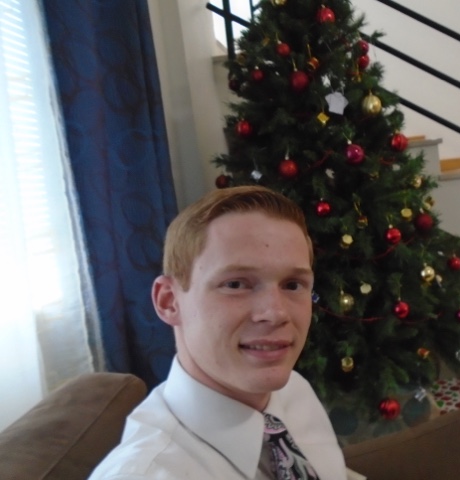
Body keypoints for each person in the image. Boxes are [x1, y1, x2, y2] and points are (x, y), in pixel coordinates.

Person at [90, 185, 348, 479]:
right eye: (236, 284)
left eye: (292, 285)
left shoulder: (294, 392)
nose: (277, 313)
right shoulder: (147, 473)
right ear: (169, 301)